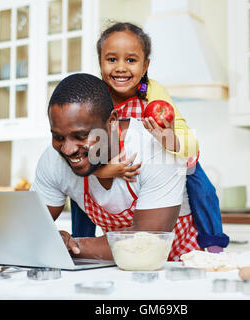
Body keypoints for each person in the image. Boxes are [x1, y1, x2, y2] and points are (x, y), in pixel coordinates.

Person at [70, 22, 229, 252]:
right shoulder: (95, 99)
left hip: (164, 159)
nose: (121, 68)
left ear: (145, 66)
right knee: (80, 191)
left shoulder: (152, 92)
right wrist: (103, 171)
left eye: (131, 60)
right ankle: (79, 244)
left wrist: (170, 139)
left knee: (202, 184)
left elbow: (190, 142)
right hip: (118, 167)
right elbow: (82, 150)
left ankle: (213, 241)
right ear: (100, 62)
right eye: (112, 59)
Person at [31, 73, 200, 261]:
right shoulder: (54, 159)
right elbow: (27, 228)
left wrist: (71, 246)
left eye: (81, 136)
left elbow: (148, 242)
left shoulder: (154, 148)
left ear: (112, 121)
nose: (68, 149)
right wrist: (53, 240)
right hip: (118, 265)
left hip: (176, 267)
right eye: (58, 137)